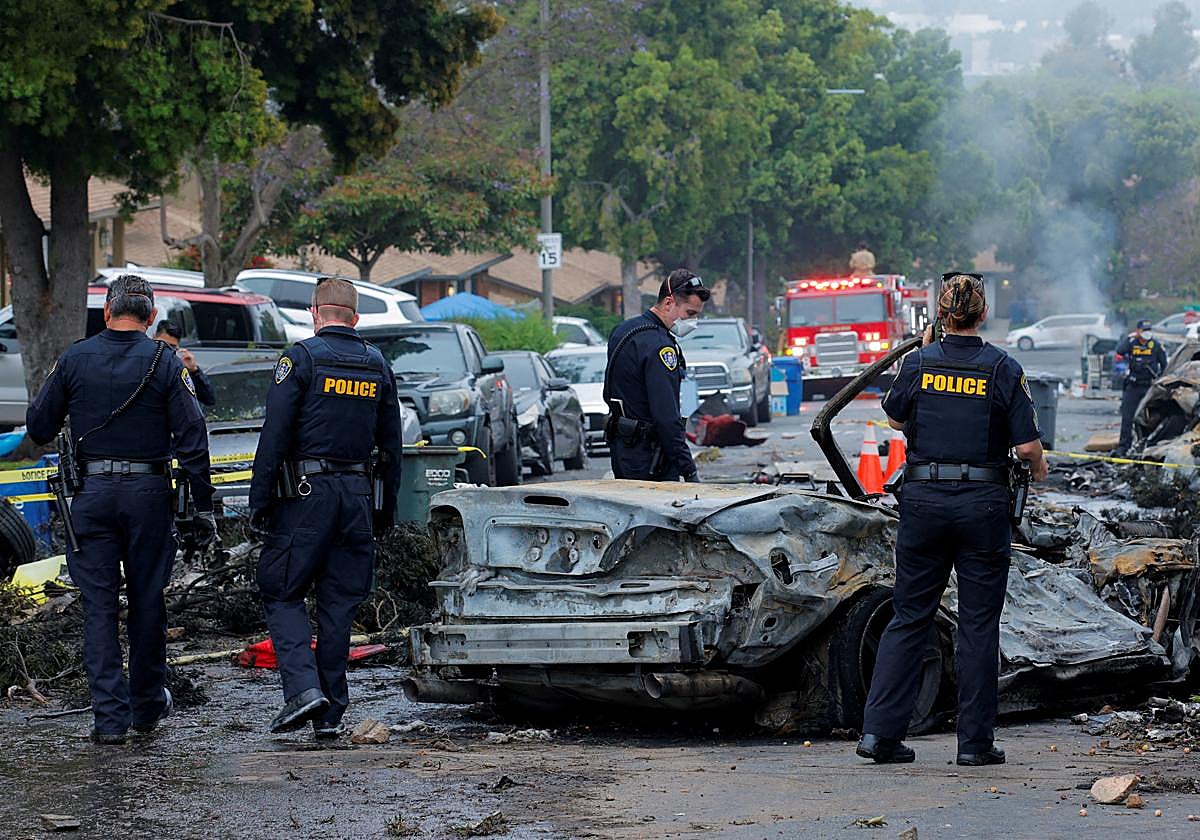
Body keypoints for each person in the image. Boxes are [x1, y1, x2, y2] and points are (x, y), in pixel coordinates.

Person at [855, 272, 1049, 767]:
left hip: (923, 502)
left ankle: (879, 735)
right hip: (982, 505)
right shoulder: (1002, 367)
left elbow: (896, 419)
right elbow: (1027, 447)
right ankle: (974, 744)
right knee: (979, 625)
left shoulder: (919, 362)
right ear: (983, 314)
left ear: (941, 316)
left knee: (910, 615)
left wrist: (923, 355)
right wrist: (1039, 468)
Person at [26, 274, 215, 745]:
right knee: (148, 603)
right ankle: (147, 704)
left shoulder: (73, 357)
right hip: (149, 497)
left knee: (99, 609)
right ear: (151, 318)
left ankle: (109, 721)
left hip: (90, 497)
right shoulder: (166, 362)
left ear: (107, 312)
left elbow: (38, 425)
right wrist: (203, 507)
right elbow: (194, 438)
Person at [249, 277, 402, 738]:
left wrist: (258, 504)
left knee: (281, 589)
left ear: (316, 313)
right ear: (355, 318)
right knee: (338, 604)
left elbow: (273, 436)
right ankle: (331, 715)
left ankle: (302, 690)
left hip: (305, 498)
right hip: (356, 497)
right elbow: (392, 448)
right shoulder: (378, 365)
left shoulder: (300, 358)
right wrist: (384, 511)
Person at [604, 269, 710, 482]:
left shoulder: (623, 330)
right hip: (651, 456)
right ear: (669, 303)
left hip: (623, 449)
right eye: (690, 314)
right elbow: (666, 416)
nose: (693, 322)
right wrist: (688, 469)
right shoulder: (660, 347)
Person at [1115, 319, 1167, 455]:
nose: (1147, 333)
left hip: (1149, 387)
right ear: (1138, 331)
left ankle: (1147, 445)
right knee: (1127, 417)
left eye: (1149, 330)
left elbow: (1164, 364)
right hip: (1133, 386)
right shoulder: (1132, 343)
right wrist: (1129, 338)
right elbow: (1120, 351)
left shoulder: (1155, 345)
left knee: (1150, 418)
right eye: (1144, 330)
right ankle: (1123, 446)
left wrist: (1160, 379)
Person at [155, 321, 216, 406]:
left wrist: (194, 370)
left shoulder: (178, 367)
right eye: (163, 345)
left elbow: (209, 399)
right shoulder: (144, 360)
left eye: (172, 347)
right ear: (154, 337)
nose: (166, 350)